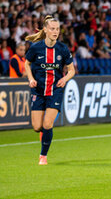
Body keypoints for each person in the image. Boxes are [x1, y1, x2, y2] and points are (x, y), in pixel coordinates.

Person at [25, 15, 75, 165]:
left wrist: (64, 79)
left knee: (47, 124)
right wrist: (31, 79)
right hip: (38, 91)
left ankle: (43, 156)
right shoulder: (36, 48)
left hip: (55, 91)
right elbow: (27, 64)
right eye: (52, 29)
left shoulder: (62, 49)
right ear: (45, 30)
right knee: (37, 127)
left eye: (58, 29)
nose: (55, 32)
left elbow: (72, 70)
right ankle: (44, 134)